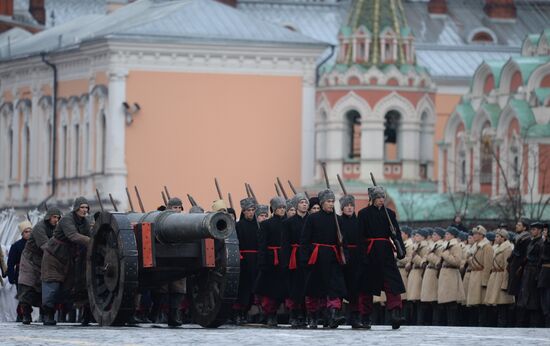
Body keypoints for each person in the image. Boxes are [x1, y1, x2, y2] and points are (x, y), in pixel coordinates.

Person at [358, 186, 406, 330]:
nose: (381, 200)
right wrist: (362, 256)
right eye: (378, 198)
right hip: (370, 253)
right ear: (372, 199)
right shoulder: (363, 214)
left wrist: (401, 249)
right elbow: (360, 236)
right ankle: (365, 317)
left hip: (386, 253)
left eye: (382, 197)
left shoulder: (390, 214)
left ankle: (395, 315)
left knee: (392, 285)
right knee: (367, 287)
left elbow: (396, 233)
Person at [300, 189, 347, 329]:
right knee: (314, 289)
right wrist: (305, 258)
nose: (331, 204)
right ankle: (313, 317)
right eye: (328, 201)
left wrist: (345, 257)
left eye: (333, 201)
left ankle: (333, 316)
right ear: (322, 203)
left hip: (333, 258)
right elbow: (305, 240)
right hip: (316, 258)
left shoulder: (338, 219)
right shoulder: (312, 218)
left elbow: (343, 242)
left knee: (334, 288)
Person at [41, 197, 91, 326]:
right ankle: (48, 314)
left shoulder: (85, 222)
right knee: (52, 286)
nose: (85, 210)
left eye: (86, 207)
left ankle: (80, 314)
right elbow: (73, 236)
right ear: (76, 208)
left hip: (68, 258)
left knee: (70, 287)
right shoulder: (67, 220)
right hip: (53, 257)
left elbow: (89, 234)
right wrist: (93, 242)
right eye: (82, 207)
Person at [17, 208, 62, 324]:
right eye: (54, 217)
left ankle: (47, 315)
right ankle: (26, 315)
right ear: (48, 217)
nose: (56, 220)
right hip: (30, 260)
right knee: (27, 287)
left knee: (46, 289)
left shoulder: (57, 228)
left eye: (58, 217)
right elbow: (45, 245)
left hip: (45, 260)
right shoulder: (39, 228)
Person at [254, 196, 287, 327]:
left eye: (284, 207)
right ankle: (270, 314)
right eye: (279, 208)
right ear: (273, 209)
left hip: (284, 259)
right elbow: (262, 245)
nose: (282, 210)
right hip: (270, 260)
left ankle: (278, 312)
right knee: (269, 290)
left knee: (282, 289)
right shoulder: (266, 224)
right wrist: (262, 262)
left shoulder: (288, 223)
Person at [281, 193, 309, 328]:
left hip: (309, 257)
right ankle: (294, 314)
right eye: (302, 202)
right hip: (294, 257)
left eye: (306, 202)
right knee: (294, 287)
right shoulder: (288, 222)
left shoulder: (312, 220)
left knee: (306, 287)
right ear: (297, 205)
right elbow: (285, 244)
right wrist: (285, 262)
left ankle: (304, 314)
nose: (304, 204)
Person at [233, 197, 259, 325]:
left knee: (253, 287)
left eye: (253, 210)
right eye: (248, 210)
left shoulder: (258, 226)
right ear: (243, 212)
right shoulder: (238, 226)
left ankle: (249, 312)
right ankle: (239, 313)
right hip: (243, 259)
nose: (251, 212)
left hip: (255, 260)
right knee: (242, 287)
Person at [339, 194, 363, 328]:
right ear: (342, 208)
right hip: (343, 256)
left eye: (351, 206)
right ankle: (335, 314)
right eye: (346, 206)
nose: (349, 208)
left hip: (356, 257)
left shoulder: (358, 222)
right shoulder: (338, 221)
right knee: (341, 286)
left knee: (355, 288)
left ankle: (355, 316)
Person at [484, 228, 514, 327]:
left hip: (501, 277)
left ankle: (502, 326)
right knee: (496, 304)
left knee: (502, 305)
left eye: (498, 236)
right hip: (495, 276)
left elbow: (507, 267)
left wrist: (505, 283)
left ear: (503, 238)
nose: (495, 238)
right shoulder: (496, 248)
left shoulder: (507, 249)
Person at [517, 222, 544, 327]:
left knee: (534, 301)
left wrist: (538, 275)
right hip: (528, 272)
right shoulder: (532, 242)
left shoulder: (541, 243)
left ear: (540, 230)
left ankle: (534, 325)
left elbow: (540, 260)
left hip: (534, 273)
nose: (532, 231)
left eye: (534, 229)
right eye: (531, 229)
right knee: (525, 300)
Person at [466, 225, 493, 327]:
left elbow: (488, 265)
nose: (474, 236)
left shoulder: (487, 247)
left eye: (476, 234)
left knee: (481, 303)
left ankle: (482, 324)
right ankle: (475, 324)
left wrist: (485, 281)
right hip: (474, 275)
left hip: (481, 276)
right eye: (473, 234)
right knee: (474, 303)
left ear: (481, 235)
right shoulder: (475, 247)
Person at [437, 226, 465, 326]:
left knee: (451, 302)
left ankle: (452, 323)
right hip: (445, 275)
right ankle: (447, 323)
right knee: (446, 302)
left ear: (453, 235)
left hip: (451, 275)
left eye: (448, 234)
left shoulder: (456, 246)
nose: (446, 235)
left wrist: (445, 255)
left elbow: (457, 262)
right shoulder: (447, 246)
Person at [506, 218, 531, 326]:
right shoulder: (518, 238)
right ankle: (515, 321)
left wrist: (520, 267)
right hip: (515, 268)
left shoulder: (526, 239)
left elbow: (525, 256)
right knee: (515, 297)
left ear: (525, 227)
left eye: (519, 225)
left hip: (520, 270)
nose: (516, 226)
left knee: (520, 296)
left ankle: (520, 322)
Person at [7, 220, 32, 322]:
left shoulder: (36, 244)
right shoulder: (16, 246)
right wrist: (11, 277)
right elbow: (10, 263)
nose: (29, 233)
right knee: (23, 296)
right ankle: (24, 314)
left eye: (30, 231)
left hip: (34, 273)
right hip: (20, 274)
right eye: (26, 231)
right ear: (22, 233)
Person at [420, 228, 445, 325]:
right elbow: (424, 258)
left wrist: (429, 256)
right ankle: (430, 321)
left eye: (435, 235)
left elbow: (438, 261)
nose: (433, 236)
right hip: (428, 272)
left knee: (434, 300)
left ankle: (435, 322)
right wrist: (424, 261)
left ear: (439, 236)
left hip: (434, 273)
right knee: (428, 300)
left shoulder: (441, 246)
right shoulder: (432, 246)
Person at [406, 228, 429, 325]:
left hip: (419, 274)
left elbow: (423, 262)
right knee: (413, 301)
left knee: (419, 300)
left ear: (423, 237)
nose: (415, 237)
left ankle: (419, 321)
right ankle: (414, 321)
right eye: (415, 235)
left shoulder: (425, 247)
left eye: (418, 235)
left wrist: (414, 257)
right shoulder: (415, 246)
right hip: (413, 273)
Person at [398, 225, 414, 324]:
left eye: (402, 233)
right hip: (400, 271)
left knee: (404, 298)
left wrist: (397, 257)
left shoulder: (409, 245)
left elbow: (408, 259)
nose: (400, 235)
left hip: (404, 272)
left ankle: (407, 319)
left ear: (406, 235)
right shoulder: (402, 243)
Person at [539, 223, 550, 327]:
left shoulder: (547, 243)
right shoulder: (544, 242)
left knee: (547, 298)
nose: (544, 232)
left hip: (547, 272)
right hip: (543, 272)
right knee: (544, 297)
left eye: (546, 230)